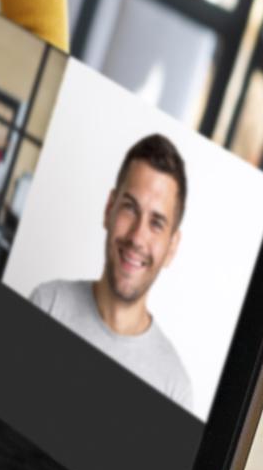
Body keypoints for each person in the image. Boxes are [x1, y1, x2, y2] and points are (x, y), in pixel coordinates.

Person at [19, 134, 204, 410]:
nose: (137, 238)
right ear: (109, 209)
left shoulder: (174, 390)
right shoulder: (48, 305)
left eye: (156, 223)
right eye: (130, 208)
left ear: (172, 247)